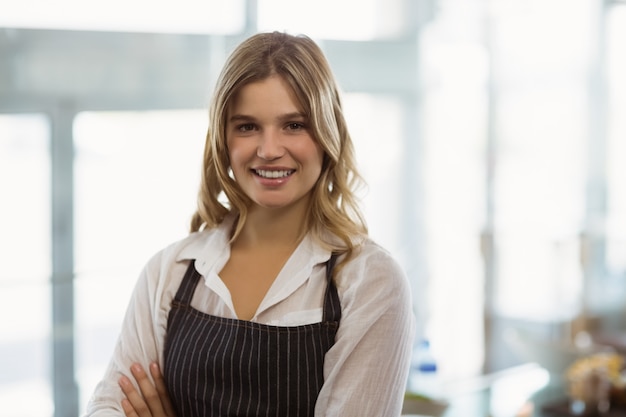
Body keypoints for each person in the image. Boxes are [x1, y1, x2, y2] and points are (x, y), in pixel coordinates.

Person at [85, 31, 415, 417]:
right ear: (223, 139)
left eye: (294, 125)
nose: (269, 150)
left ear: (328, 133)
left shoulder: (370, 282)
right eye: (247, 126)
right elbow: (109, 405)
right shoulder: (169, 273)